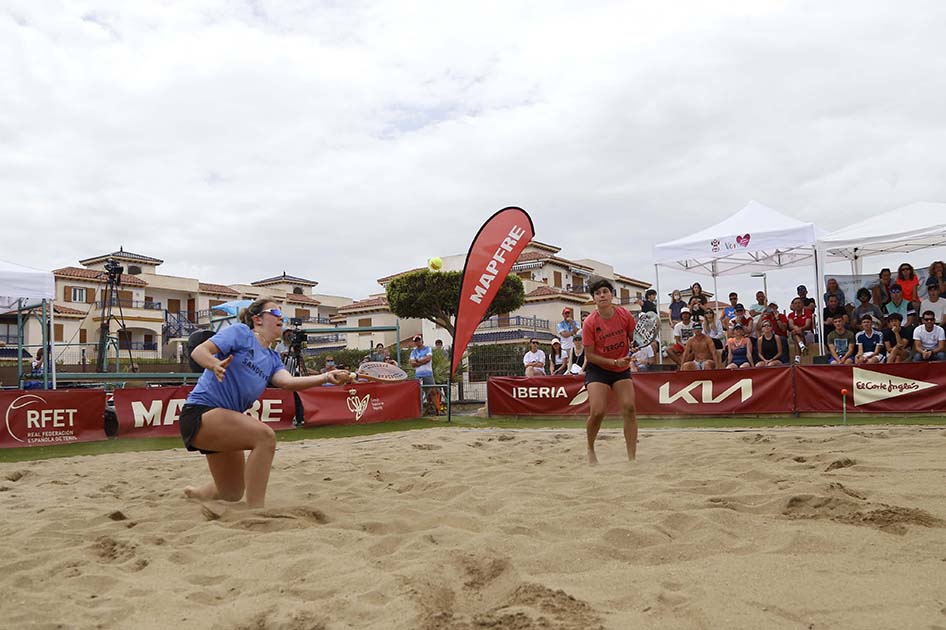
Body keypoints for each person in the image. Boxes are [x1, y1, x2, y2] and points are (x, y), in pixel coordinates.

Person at [180, 298, 350, 508]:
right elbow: (199, 351)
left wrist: (326, 377)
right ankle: (256, 511)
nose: (282, 318)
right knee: (265, 437)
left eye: (283, 315)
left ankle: (194, 494)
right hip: (200, 413)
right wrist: (214, 364)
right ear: (258, 319)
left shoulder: (272, 358)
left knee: (231, 492)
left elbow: (288, 382)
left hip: (224, 422)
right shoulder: (241, 332)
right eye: (276, 313)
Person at [581, 278, 638, 465]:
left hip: (621, 368)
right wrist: (614, 361)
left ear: (611, 295)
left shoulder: (624, 315)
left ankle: (632, 458)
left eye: (605, 291)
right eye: (598, 293)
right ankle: (590, 448)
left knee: (629, 408)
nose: (602, 295)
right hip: (598, 369)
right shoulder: (590, 322)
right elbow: (589, 355)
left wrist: (635, 349)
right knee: (597, 411)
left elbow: (634, 337)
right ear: (594, 299)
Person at [409, 335, 435, 407]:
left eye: (418, 340)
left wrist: (418, 361)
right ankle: (420, 409)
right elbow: (413, 364)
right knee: (419, 393)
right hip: (418, 375)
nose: (417, 342)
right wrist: (422, 361)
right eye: (416, 341)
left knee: (432, 391)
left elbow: (428, 359)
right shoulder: (413, 352)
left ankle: (435, 408)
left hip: (428, 374)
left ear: (422, 341)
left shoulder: (428, 349)